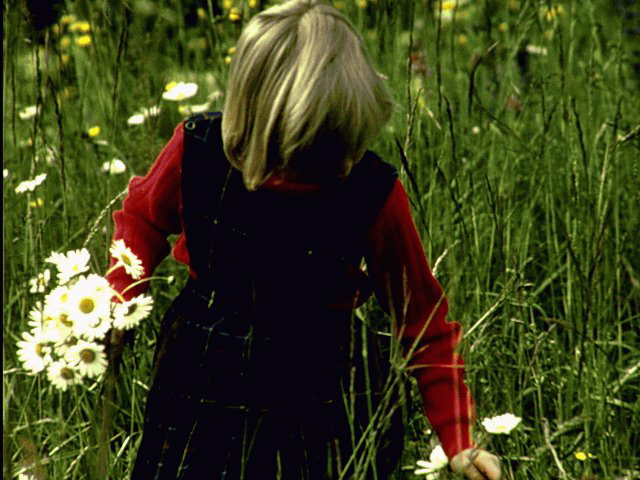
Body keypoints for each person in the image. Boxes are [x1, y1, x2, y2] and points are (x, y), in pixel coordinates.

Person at [107, 0, 502, 478]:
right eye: (314, 151)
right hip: (201, 376)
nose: (333, 167)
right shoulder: (197, 149)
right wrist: (116, 305)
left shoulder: (371, 191)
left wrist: (459, 440)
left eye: (344, 148)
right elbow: (142, 220)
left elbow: (422, 320)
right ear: (259, 124)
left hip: (322, 393)